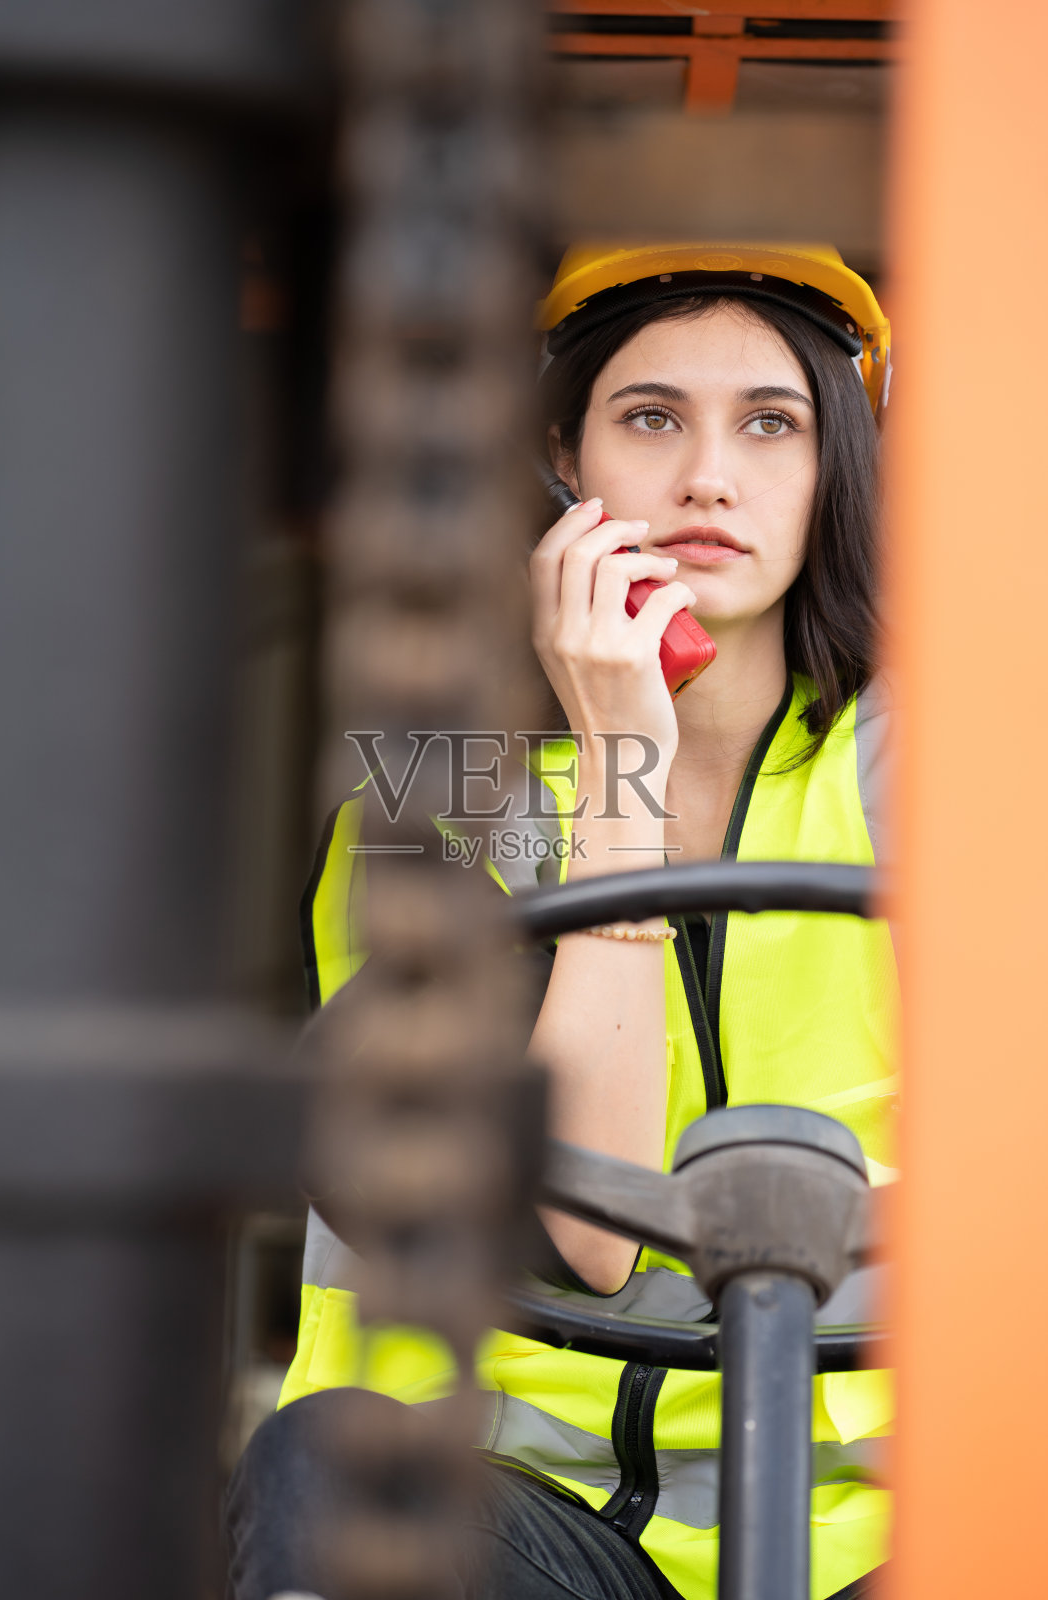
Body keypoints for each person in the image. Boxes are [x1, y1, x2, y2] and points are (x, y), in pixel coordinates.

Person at [226, 244, 898, 1600]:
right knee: (327, 1471)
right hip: (523, 1519)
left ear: (836, 472)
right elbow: (586, 1240)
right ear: (562, 462)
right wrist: (618, 774)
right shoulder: (444, 798)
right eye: (651, 418)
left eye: (773, 423)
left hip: (872, 1529)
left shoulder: (935, 767)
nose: (709, 474)